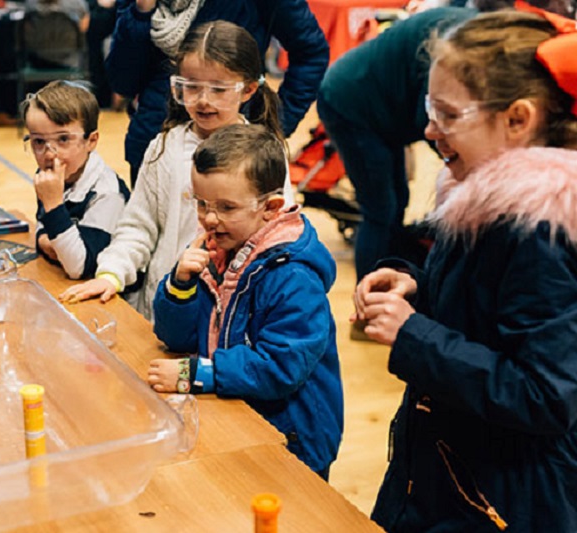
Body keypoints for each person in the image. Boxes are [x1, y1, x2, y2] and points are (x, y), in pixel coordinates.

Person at [352, 8, 577, 531]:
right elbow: (481, 302)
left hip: (500, 496)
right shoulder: (484, 199)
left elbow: (545, 397)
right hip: (448, 465)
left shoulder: (541, 236)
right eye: (430, 107)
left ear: (518, 120)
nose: (429, 129)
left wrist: (413, 335)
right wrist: (417, 284)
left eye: (449, 114)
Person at [317, 0, 576, 287]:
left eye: (449, 115)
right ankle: (370, 298)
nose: (432, 131)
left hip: (380, 101)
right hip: (352, 102)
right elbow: (427, 120)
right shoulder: (464, 50)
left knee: (394, 203)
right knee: (383, 209)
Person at [59, 21, 293, 320]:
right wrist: (112, 273)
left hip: (233, 316)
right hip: (167, 309)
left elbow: (280, 237)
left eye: (219, 89)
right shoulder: (164, 147)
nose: (203, 100)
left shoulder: (266, 155)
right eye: (191, 87)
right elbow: (138, 226)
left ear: (247, 89)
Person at [147, 124, 343, 477]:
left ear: (270, 208)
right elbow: (176, 337)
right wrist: (180, 286)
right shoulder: (217, 248)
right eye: (202, 203)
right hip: (235, 412)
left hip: (291, 441)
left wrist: (201, 373)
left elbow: (281, 367)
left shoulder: (293, 277)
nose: (209, 218)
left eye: (225, 207)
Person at [106, 0, 329, 186]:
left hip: (235, 152)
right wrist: (142, 13)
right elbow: (123, 82)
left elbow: (311, 52)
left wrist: (276, 124)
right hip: (156, 146)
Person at [21, 80, 130, 279]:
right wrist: (46, 240)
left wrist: (54, 206)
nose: (49, 154)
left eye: (63, 139)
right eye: (38, 141)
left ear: (91, 141)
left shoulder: (107, 194)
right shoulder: (52, 175)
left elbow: (79, 266)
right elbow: (42, 229)